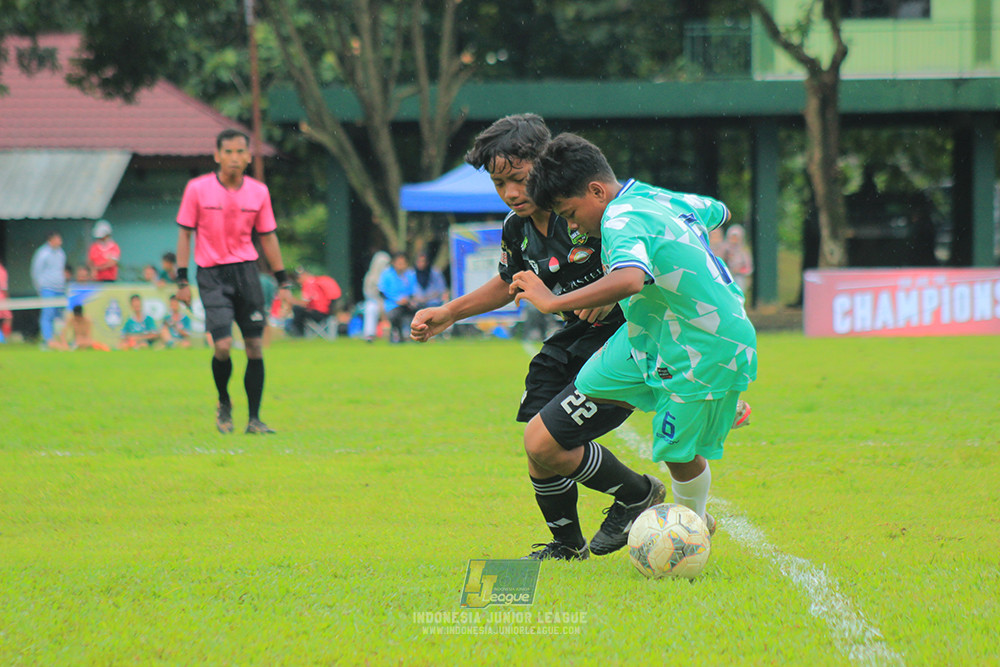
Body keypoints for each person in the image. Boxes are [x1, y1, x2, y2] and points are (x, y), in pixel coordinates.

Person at [411, 114, 661, 561]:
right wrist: (449, 312)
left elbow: (641, 267)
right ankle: (567, 546)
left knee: (544, 441)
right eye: (498, 184)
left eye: (519, 179)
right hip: (573, 338)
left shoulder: (589, 212)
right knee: (538, 445)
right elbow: (510, 282)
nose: (510, 192)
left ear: (545, 165)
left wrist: (611, 294)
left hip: (624, 339)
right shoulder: (517, 227)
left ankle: (638, 494)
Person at [512, 132, 758, 538]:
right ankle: (716, 405)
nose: (572, 227)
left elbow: (629, 279)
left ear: (596, 191)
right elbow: (719, 211)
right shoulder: (654, 196)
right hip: (650, 333)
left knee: (676, 452)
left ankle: (690, 529)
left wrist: (553, 302)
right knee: (593, 382)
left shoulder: (618, 219)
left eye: (570, 214)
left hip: (704, 343)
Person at [176, 128, 291, 435]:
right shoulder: (197, 189)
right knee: (223, 346)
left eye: (240, 152)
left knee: (254, 346)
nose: (234, 158)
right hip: (211, 274)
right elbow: (185, 234)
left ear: (249, 157)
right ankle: (224, 401)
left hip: (247, 273)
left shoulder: (258, 192)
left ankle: (254, 420)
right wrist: (181, 280)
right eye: (228, 152)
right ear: (217, 155)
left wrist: (283, 282)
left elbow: (268, 237)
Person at [30, 231, 67, 346]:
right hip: (47, 288)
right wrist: (39, 287)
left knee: (59, 315)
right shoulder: (42, 253)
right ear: (51, 240)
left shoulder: (61, 253)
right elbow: (36, 271)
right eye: (57, 239)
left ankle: (59, 339)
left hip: (60, 288)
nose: (60, 241)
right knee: (48, 314)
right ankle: (48, 340)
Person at [286, 266, 342, 337]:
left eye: (298, 278)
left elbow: (304, 304)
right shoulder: (316, 282)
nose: (297, 280)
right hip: (326, 313)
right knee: (299, 310)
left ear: (305, 275)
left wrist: (291, 300)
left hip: (319, 314)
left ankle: (299, 334)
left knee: (297, 309)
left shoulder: (309, 284)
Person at [378, 252, 416, 343]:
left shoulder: (410, 274)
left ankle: (414, 335)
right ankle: (397, 335)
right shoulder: (386, 274)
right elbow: (382, 292)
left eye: (403, 263)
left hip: (407, 304)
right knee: (395, 315)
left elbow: (412, 292)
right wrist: (397, 300)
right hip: (391, 305)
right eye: (399, 263)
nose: (401, 266)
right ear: (394, 263)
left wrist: (407, 300)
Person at [361, 251, 391, 342]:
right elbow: (368, 293)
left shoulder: (390, 276)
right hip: (375, 301)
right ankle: (369, 335)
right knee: (370, 308)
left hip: (389, 302)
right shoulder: (370, 277)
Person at [720, 224, 753, 295]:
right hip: (727, 276)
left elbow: (748, 267)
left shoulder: (743, 251)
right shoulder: (725, 250)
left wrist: (740, 270)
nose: (734, 240)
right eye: (732, 238)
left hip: (739, 277)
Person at [0, 260, 12, 342]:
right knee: (8, 317)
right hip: (1, 298)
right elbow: (4, 288)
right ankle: (4, 338)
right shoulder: (2, 271)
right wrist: (7, 298)